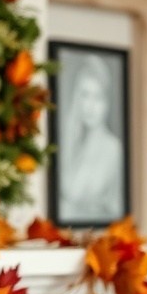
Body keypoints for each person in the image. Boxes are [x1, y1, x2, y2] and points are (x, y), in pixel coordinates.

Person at [58, 53, 125, 224]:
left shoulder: (113, 149)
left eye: (97, 97)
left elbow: (117, 209)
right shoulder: (71, 144)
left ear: (106, 102)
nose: (90, 106)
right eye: (85, 95)